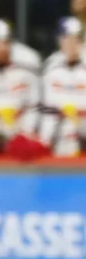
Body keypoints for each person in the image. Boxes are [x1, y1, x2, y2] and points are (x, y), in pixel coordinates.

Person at [0, 19, 50, 160]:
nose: (0, 48)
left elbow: (34, 107)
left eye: (5, 43)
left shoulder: (27, 70)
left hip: (23, 132)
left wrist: (25, 132)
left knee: (28, 148)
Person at [41, 17, 86, 157]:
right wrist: (44, 141)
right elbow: (48, 110)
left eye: (76, 39)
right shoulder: (51, 66)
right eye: (67, 39)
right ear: (60, 41)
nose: (71, 44)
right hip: (60, 138)